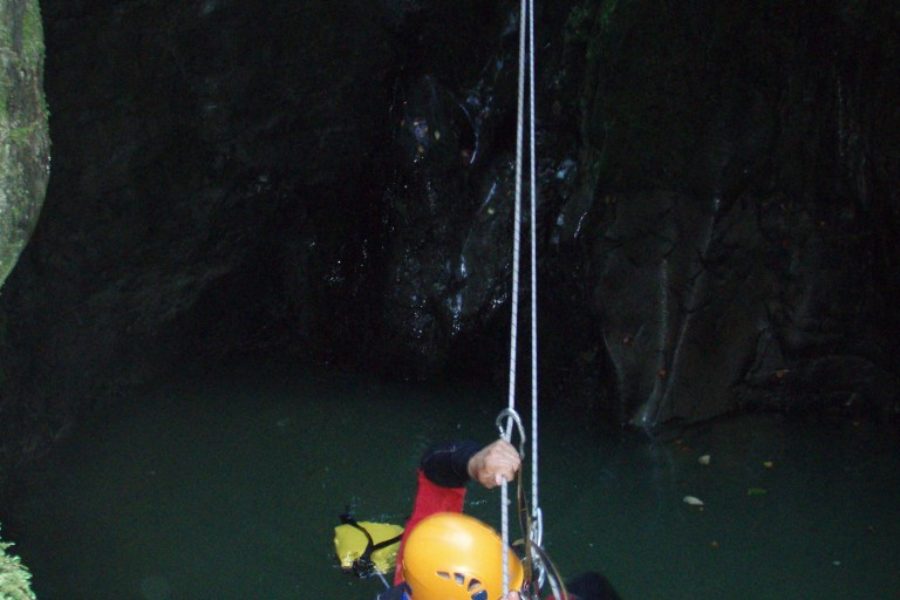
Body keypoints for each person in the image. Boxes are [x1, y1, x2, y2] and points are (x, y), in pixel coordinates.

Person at [377, 439, 621, 600]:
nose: (517, 598)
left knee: (592, 586)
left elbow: (435, 470)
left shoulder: (425, 558)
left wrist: (474, 462)